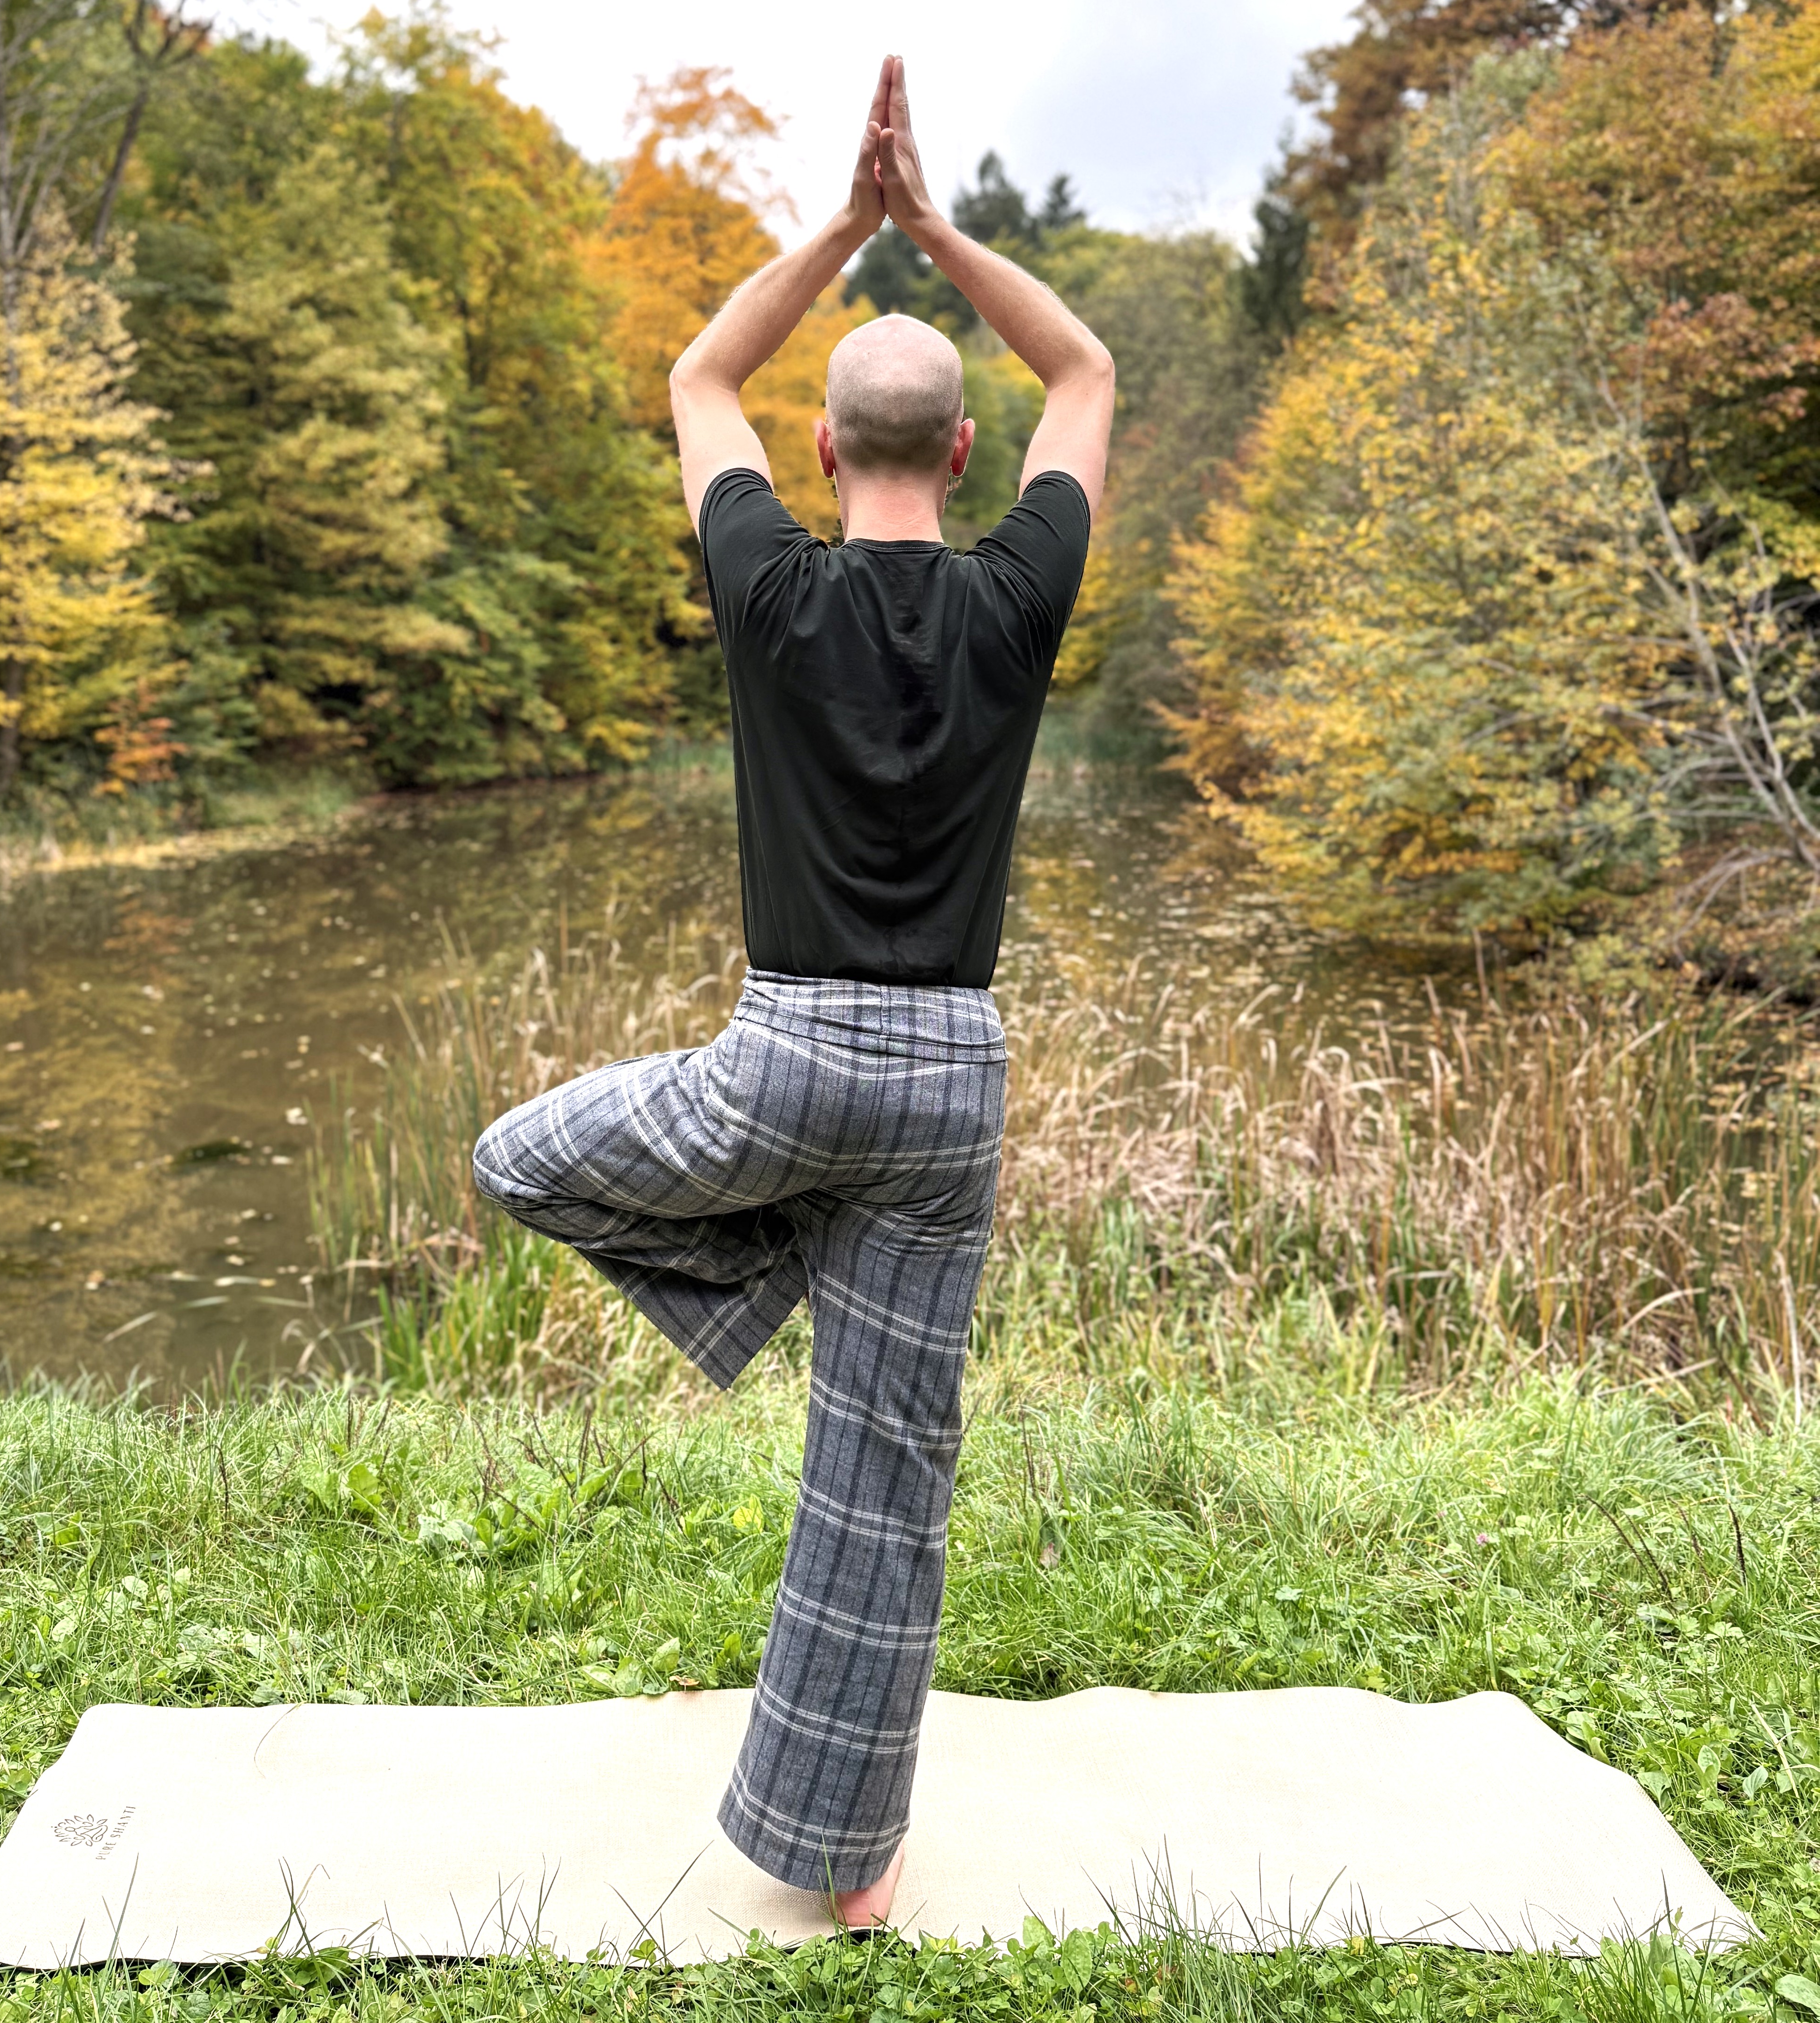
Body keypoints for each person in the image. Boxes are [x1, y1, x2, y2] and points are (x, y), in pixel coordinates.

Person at [473, 54, 1113, 1929]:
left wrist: (845, 222)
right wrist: (942, 230)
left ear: (823, 452)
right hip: (952, 1089)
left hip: (790, 1063)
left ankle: (765, 1280)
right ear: (966, 457)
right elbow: (1088, 370)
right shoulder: (1016, 595)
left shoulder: (767, 582)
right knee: (887, 1481)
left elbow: (692, 378)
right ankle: (845, 1865)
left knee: (526, 1156)